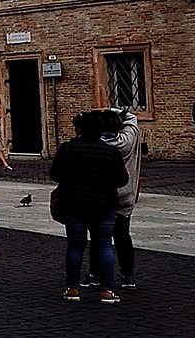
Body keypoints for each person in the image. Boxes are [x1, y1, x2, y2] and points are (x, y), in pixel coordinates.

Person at [50, 111, 127, 303]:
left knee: (75, 244)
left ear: (79, 129)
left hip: (74, 203)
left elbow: (55, 174)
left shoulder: (68, 149)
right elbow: (122, 179)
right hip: (104, 203)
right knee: (104, 245)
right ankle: (107, 290)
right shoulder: (111, 151)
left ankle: (73, 288)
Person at [97, 108, 141, 289]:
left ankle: (96, 274)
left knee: (100, 238)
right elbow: (131, 117)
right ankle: (127, 276)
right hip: (125, 195)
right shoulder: (128, 139)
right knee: (123, 236)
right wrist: (111, 110)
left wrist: (98, 113)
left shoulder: (98, 143)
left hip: (102, 196)